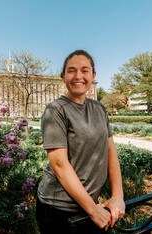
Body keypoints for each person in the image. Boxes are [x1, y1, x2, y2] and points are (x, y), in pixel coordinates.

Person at [36, 50, 125, 234]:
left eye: (84, 70)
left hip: (88, 205)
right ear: (63, 76)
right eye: (71, 70)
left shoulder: (99, 109)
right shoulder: (56, 110)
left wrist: (118, 196)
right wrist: (93, 209)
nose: (78, 76)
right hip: (58, 207)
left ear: (93, 76)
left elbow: (111, 153)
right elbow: (59, 164)